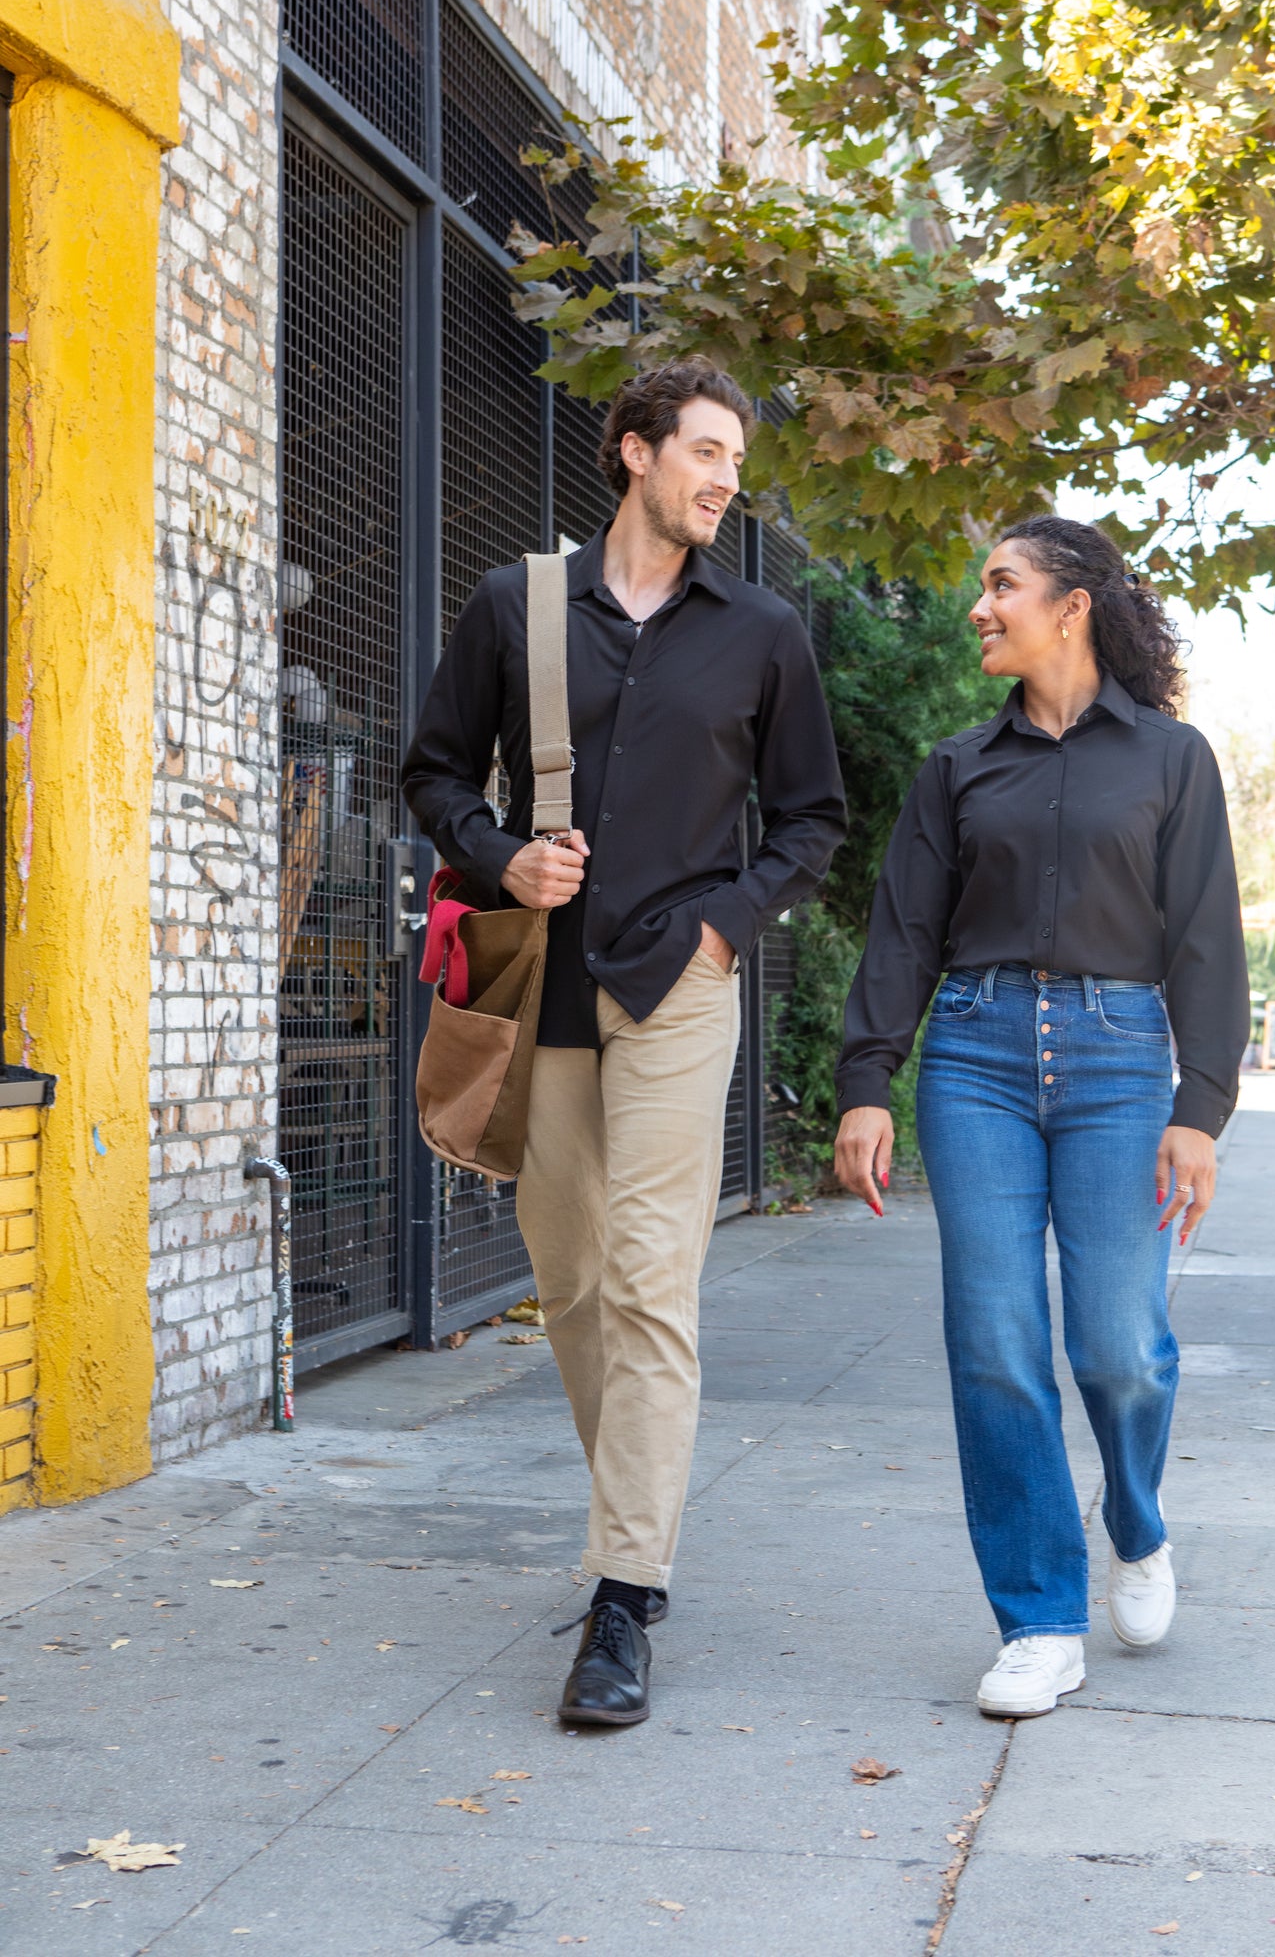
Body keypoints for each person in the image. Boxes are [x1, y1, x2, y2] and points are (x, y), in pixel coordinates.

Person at [402, 358, 846, 1727]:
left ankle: (622, 1593)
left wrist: (726, 925)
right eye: (705, 452)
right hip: (542, 980)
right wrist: (499, 857)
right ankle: (633, 1527)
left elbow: (812, 818)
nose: (725, 481)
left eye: (734, 461)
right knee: (575, 1281)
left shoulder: (761, 629)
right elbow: (431, 771)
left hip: (679, 985)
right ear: (635, 452)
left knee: (653, 1278)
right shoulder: (516, 605)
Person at [832, 515, 1248, 1719]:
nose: (979, 605)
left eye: (1001, 584)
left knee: (1118, 1344)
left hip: (1119, 1061)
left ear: (1069, 607)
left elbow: (1204, 937)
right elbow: (903, 931)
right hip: (975, 1055)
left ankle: (1135, 1519)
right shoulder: (957, 765)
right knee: (995, 1341)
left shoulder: (1170, 757)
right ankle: (1036, 1619)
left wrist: (1198, 1106)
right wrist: (865, 1080)